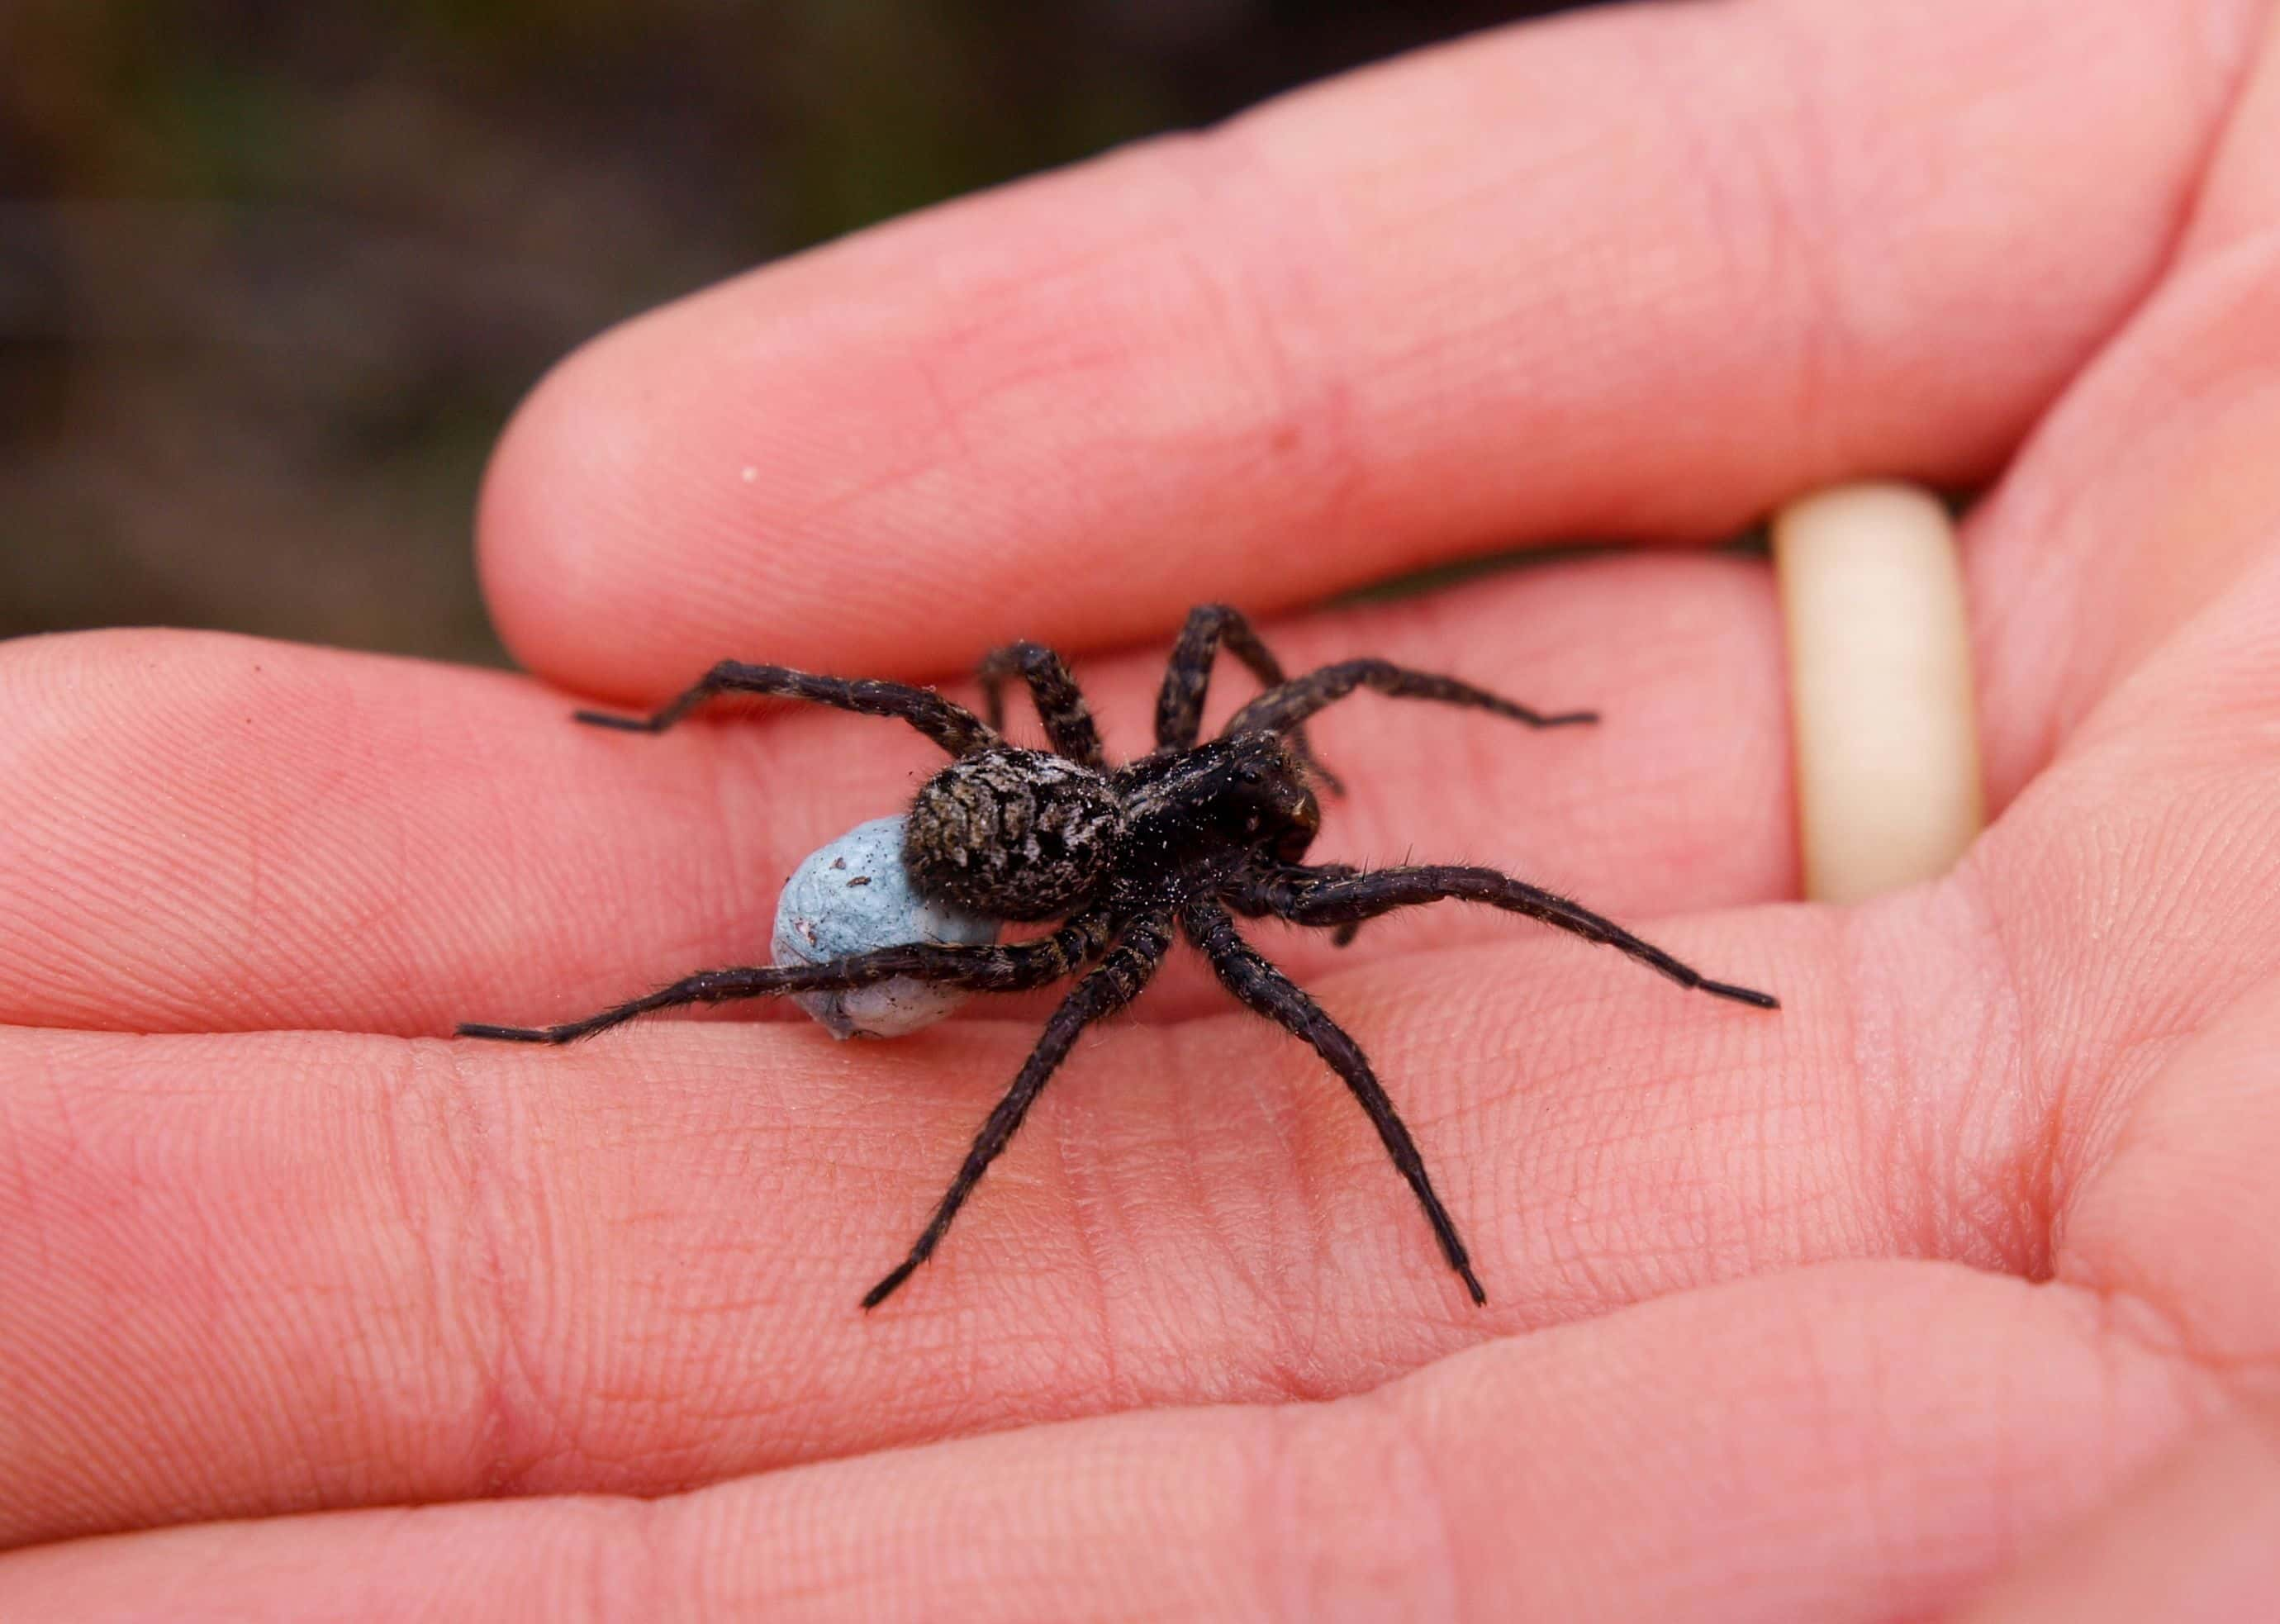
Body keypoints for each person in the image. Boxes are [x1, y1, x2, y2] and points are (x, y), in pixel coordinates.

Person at [3, 0, 2277, 1614]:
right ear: (1211, 784)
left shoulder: (1180, 769)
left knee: (1297, 793)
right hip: (990, 867)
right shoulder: (1134, 912)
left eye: (1259, 762)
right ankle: (602, 977)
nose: (1289, 798)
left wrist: (1386, 761)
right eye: (1264, 771)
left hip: (1047, 813)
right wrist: (945, 1210)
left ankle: (661, 929)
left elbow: (1292, 683)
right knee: (1041, 937)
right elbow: (1193, 971)